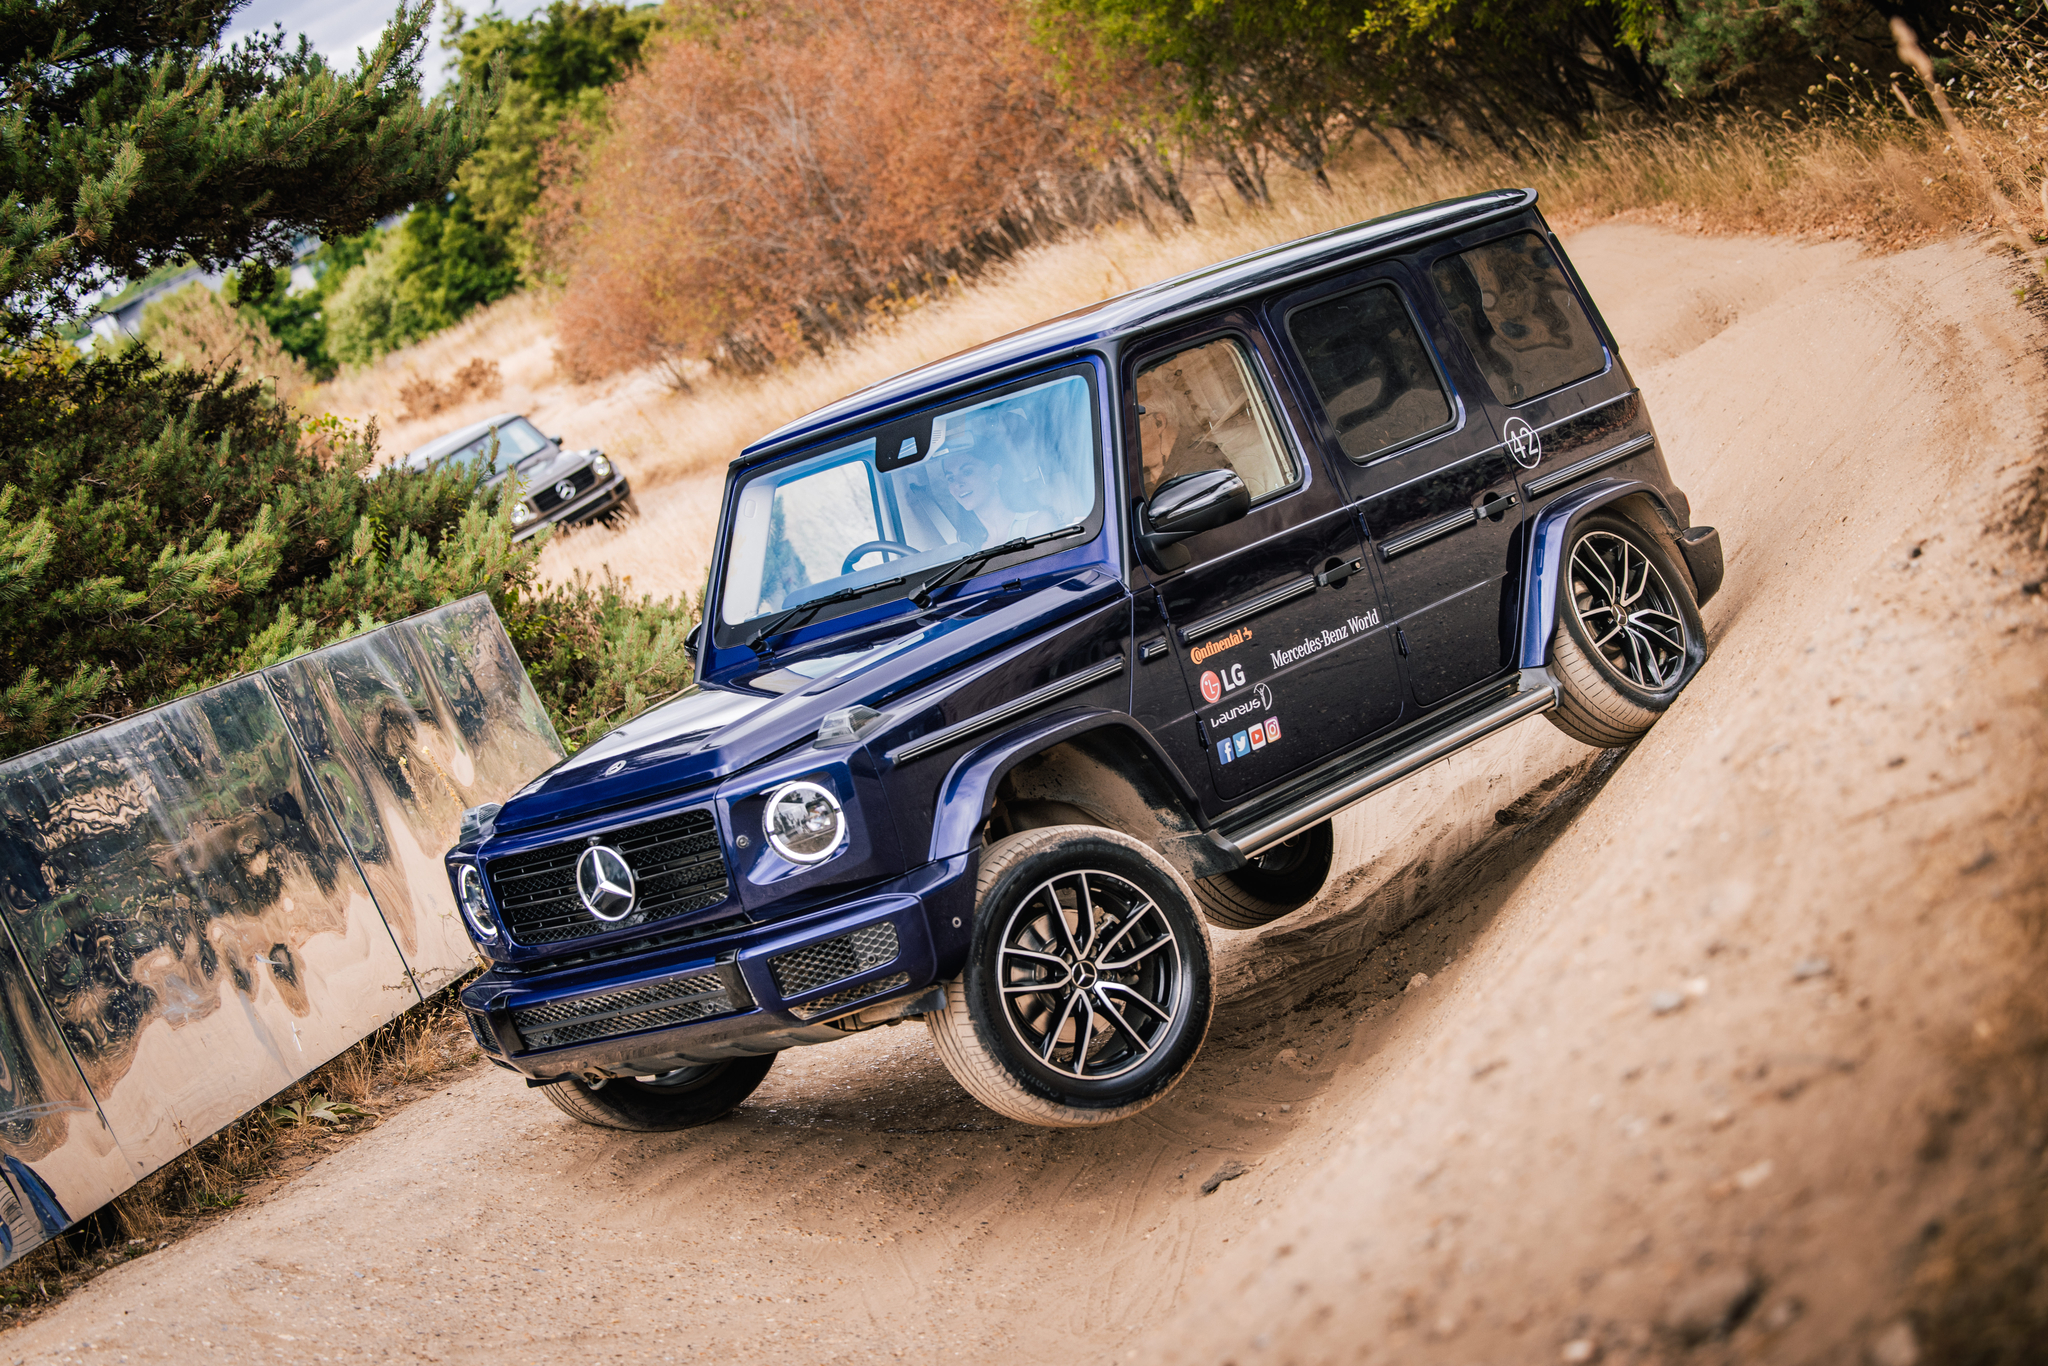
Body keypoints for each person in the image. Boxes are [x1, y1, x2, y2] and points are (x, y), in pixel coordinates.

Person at [933, 418, 1054, 543]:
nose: (957, 484)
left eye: (967, 472)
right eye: (951, 478)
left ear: (995, 473)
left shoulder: (1038, 524)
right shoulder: (970, 547)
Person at [1133, 375, 1230, 495]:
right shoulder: (1136, 478)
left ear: (1158, 423)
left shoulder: (1201, 466)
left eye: (1130, 424)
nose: (1126, 436)